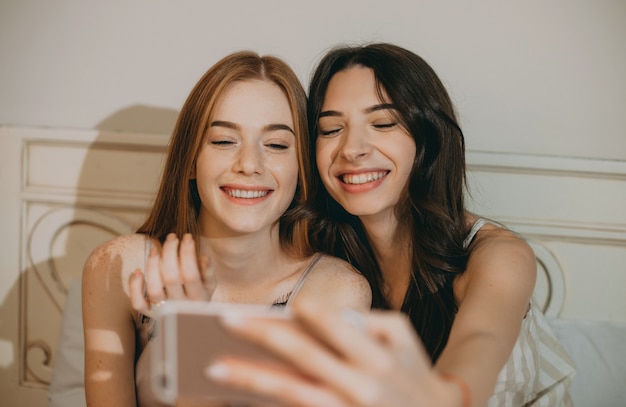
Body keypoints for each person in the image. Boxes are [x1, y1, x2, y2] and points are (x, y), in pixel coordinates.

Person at [203, 43, 576, 407]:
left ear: (426, 139)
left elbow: (481, 340)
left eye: (382, 123)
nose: (352, 149)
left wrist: (445, 392)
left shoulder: (495, 254)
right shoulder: (324, 264)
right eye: (331, 130)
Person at [81, 50, 372, 407]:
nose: (249, 164)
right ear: (190, 161)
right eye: (223, 141)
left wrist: (193, 333)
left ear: (301, 171)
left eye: (277, 145)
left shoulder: (336, 294)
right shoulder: (117, 267)